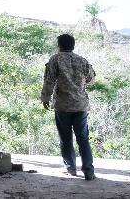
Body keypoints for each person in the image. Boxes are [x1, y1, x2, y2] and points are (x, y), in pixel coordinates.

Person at [41, 33, 96, 181]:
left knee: (65, 138)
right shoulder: (82, 60)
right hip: (80, 105)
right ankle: (89, 171)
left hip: (63, 105)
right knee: (83, 138)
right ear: (73, 46)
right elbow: (91, 79)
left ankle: (71, 169)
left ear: (59, 46)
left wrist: (45, 98)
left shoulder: (55, 59)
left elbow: (49, 80)